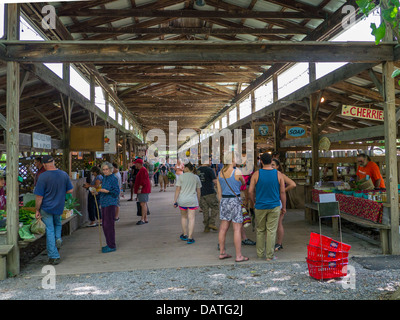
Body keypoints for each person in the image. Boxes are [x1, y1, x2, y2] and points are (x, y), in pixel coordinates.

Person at [34, 155, 73, 265]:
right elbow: (70, 190)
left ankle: (54, 256)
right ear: (54, 162)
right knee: (58, 224)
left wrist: (37, 210)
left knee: (49, 230)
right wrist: (60, 193)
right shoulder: (64, 175)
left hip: (46, 208)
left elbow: (39, 197)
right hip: (59, 206)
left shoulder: (43, 177)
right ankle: (58, 239)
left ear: (45, 165)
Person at [248, 153, 286, 261]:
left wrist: (253, 201)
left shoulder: (256, 174)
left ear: (261, 162)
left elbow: (250, 191)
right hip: (274, 206)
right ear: (271, 161)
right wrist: (284, 206)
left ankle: (260, 254)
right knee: (271, 230)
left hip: (260, 206)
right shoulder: (278, 174)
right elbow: (282, 192)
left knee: (260, 230)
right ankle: (270, 256)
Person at [216, 153, 249, 262]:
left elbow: (219, 192)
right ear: (232, 160)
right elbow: (243, 183)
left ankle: (222, 252)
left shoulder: (220, 173)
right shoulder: (237, 172)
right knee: (237, 229)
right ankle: (239, 256)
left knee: (223, 228)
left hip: (224, 201)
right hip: (235, 201)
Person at [271, 158, 296, 252]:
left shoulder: (280, 175)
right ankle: (272, 243)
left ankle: (279, 243)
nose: (271, 166)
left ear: (277, 166)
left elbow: (293, 184)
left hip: (278, 202)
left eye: (273, 165)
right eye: (270, 164)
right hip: (272, 202)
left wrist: (282, 191)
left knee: (278, 224)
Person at [174, 162, 201, 244]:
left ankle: (185, 234)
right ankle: (190, 237)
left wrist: (175, 201)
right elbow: (198, 191)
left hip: (182, 200)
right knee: (191, 218)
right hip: (192, 200)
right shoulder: (196, 177)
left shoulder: (181, 177)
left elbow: (178, 190)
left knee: (184, 217)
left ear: (186, 168)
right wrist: (198, 201)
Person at [96, 162, 120, 253]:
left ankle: (112, 245)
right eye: (104, 169)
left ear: (110, 169)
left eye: (107, 169)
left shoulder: (113, 178)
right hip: (104, 203)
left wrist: (107, 191)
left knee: (109, 225)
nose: (105, 171)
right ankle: (109, 243)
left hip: (110, 203)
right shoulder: (105, 178)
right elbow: (103, 189)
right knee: (105, 225)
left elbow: (116, 192)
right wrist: (97, 192)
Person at [197, 158, 219, 233]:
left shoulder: (197, 170)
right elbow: (215, 181)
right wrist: (218, 187)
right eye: (209, 160)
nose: (211, 162)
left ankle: (206, 227)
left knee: (205, 210)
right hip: (210, 192)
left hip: (200, 193)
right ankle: (212, 223)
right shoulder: (210, 170)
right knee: (215, 207)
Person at [133, 158, 151, 225]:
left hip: (143, 189)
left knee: (142, 204)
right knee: (143, 204)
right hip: (144, 189)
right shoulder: (142, 170)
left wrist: (140, 188)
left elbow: (143, 180)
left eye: (136, 163)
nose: (135, 165)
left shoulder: (143, 170)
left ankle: (142, 219)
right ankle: (145, 218)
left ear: (139, 164)